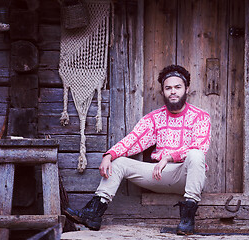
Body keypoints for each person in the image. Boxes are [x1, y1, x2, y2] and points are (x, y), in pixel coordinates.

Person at [64, 65, 211, 235]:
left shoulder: (201, 116)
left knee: (196, 154)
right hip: (159, 175)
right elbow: (133, 140)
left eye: (177, 87)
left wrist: (169, 157)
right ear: (162, 91)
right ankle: (94, 213)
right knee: (118, 162)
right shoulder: (155, 118)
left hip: (186, 176)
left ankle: (187, 220)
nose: (173, 92)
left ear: (186, 89)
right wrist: (109, 155)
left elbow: (200, 145)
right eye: (168, 88)